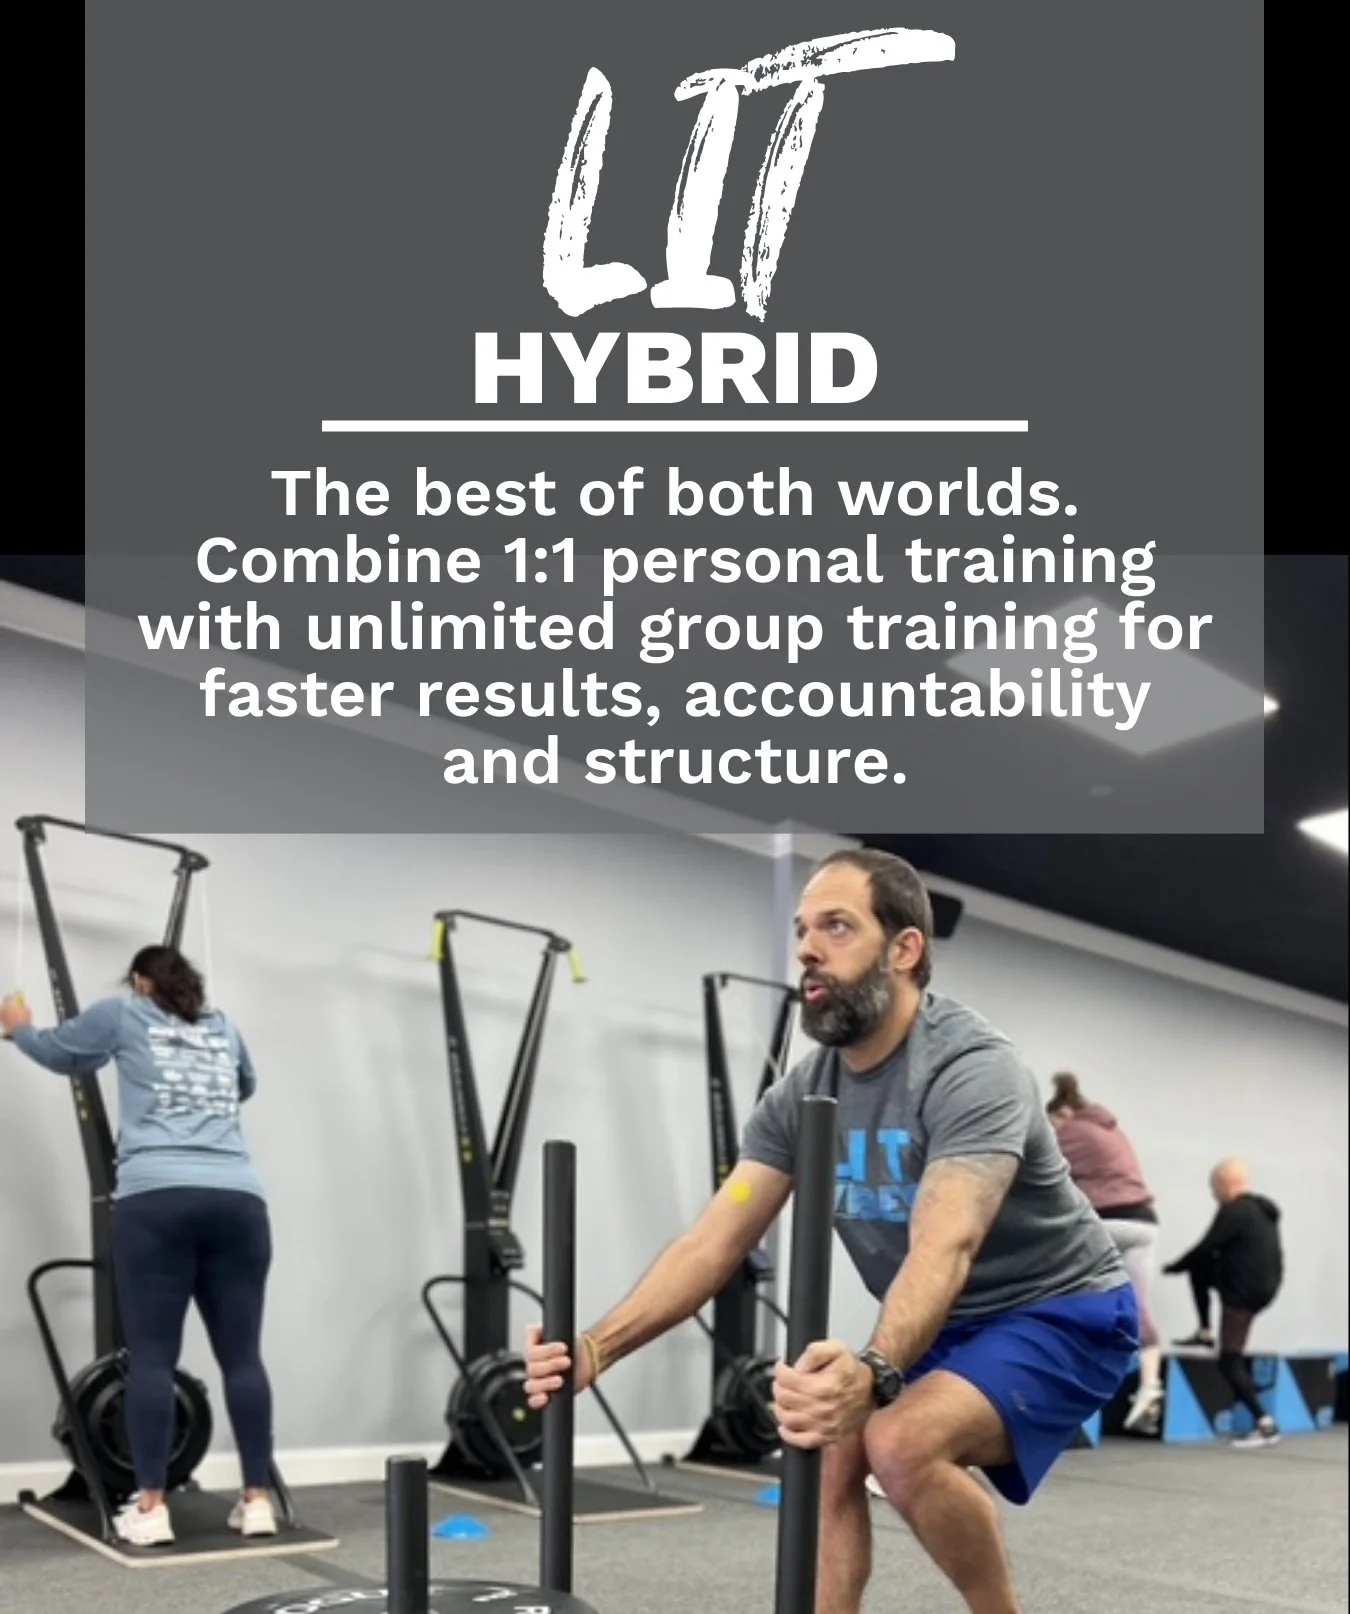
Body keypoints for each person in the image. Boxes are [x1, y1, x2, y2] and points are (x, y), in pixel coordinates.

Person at [524, 848, 1138, 1614]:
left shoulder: (972, 1068)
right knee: (822, 1443)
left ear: (904, 949)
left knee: (899, 1442)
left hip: (1063, 1311)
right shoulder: (799, 1097)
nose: (808, 950)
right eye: (802, 930)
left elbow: (946, 1243)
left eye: (837, 927)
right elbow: (713, 1242)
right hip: (952, 1319)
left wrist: (874, 1370)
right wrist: (596, 1348)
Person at [1, 945, 278, 1545]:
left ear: (140, 982)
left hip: (157, 1199)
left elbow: (60, 1052)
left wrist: (18, 1027)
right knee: (243, 1358)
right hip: (239, 1200)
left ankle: (151, 1509)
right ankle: (258, 1501)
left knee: (151, 1357)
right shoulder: (223, 1025)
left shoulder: (123, 1013)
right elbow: (245, 1085)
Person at [1045, 1073, 1163, 1433]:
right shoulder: (1113, 1131)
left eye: (1053, 1122)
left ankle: (1060, 1377)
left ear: (1063, 1112)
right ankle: (1150, 1387)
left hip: (1107, 1222)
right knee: (1137, 1309)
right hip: (1144, 1224)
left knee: (1057, 1290)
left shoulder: (1070, 1131)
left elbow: (1042, 1171)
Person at [1163, 1159, 1284, 1449]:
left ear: (1225, 1185)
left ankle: (1265, 1424)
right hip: (1263, 1288)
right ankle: (1205, 1331)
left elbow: (1206, 1245)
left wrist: (1174, 1267)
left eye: (1214, 1190)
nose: (1214, 1196)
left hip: (1242, 1293)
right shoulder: (1261, 1211)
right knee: (1200, 1268)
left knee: (1229, 1360)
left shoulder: (1234, 1211)